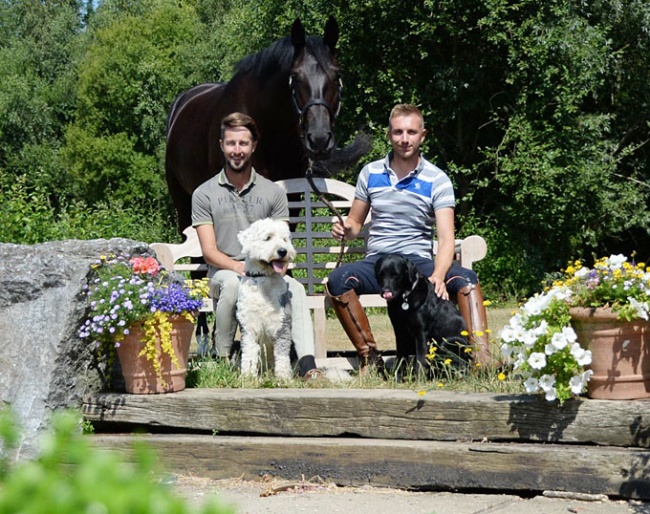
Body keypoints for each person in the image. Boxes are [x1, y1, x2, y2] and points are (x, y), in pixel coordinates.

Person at [326, 104, 491, 373]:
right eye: (398, 132)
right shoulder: (370, 173)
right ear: (389, 134)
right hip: (379, 263)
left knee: (467, 281)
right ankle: (371, 358)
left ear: (422, 135)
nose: (405, 138)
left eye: (411, 132)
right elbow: (356, 223)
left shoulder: (437, 179)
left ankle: (482, 360)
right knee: (337, 281)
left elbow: (447, 238)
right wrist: (346, 227)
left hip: (417, 264)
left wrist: (438, 275)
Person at [191, 112, 322, 380]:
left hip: (268, 269)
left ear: (253, 146)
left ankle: (308, 366)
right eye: (231, 143)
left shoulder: (273, 193)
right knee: (232, 284)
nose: (237, 150)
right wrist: (244, 269)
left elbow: (281, 240)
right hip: (225, 269)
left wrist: (275, 269)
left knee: (295, 288)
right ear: (221, 145)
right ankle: (223, 359)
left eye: (243, 144)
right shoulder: (204, 193)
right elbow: (209, 252)